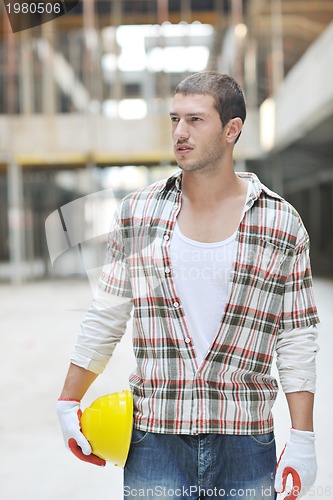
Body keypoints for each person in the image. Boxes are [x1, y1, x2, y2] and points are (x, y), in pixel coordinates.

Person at [56, 71, 319, 499]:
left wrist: (303, 440)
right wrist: (68, 401)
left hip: (245, 440)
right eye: (174, 119)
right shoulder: (137, 214)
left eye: (195, 120)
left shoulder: (281, 222)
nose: (180, 132)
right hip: (154, 438)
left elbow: (296, 337)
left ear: (232, 129)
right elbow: (106, 314)